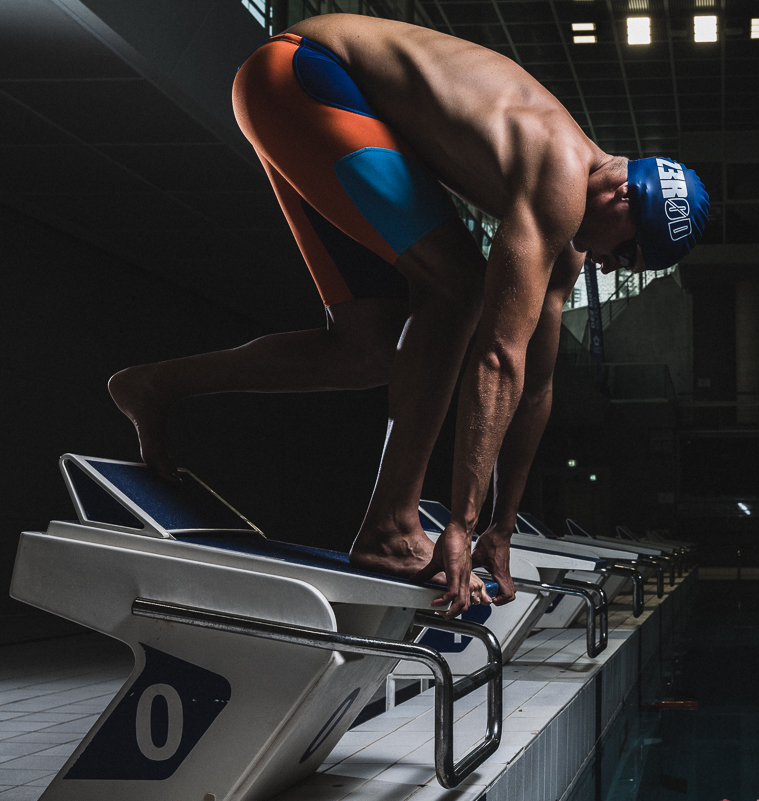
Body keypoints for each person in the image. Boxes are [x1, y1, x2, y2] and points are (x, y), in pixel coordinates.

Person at [107, 13, 708, 618]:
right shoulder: (560, 177)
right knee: (459, 291)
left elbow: (534, 386)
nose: (608, 268)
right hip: (307, 75)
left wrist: (499, 528)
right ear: (623, 196)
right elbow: (497, 358)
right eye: (625, 254)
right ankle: (392, 530)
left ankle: (151, 386)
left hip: (302, 96)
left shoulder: (569, 241)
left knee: (365, 351)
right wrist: (460, 523)